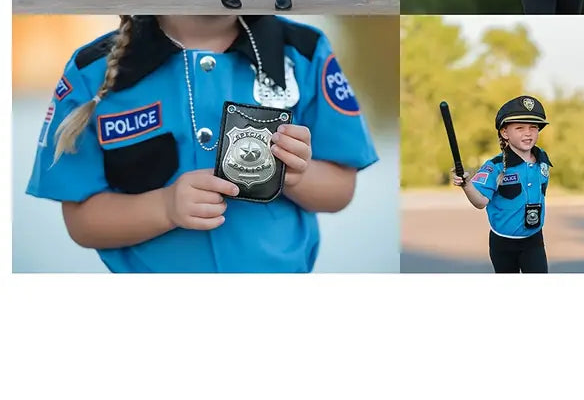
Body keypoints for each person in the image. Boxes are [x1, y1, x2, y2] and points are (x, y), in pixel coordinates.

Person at [27, 14, 377, 273]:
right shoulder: (91, 71)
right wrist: (165, 207)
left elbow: (340, 188)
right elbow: (82, 221)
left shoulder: (303, 52)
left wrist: (295, 174)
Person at [451, 96, 553, 273]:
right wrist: (466, 185)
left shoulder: (542, 159)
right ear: (505, 133)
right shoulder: (495, 167)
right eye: (520, 128)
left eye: (533, 127)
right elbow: (481, 202)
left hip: (533, 239)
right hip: (503, 243)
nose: (528, 133)